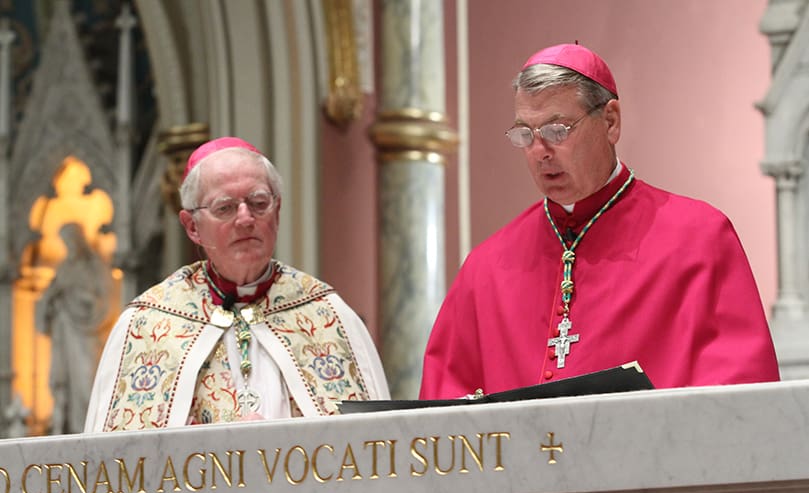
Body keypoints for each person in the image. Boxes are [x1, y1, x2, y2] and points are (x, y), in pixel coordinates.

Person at [420, 43, 781, 400]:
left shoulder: (699, 238)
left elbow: (742, 398)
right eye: (525, 134)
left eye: (557, 130)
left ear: (610, 121)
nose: (540, 152)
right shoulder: (485, 268)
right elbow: (443, 419)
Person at [85, 137, 389, 431]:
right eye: (225, 208)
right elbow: (121, 466)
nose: (245, 219)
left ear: (277, 212)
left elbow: (374, 448)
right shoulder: (147, 325)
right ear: (192, 227)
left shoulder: (328, 316)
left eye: (259, 203)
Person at [37, 223, 110, 434]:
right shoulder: (63, 268)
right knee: (63, 383)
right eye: (65, 241)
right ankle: (63, 426)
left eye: (71, 240)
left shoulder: (94, 267)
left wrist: (75, 294)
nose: (68, 245)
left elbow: (103, 301)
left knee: (86, 381)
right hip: (64, 332)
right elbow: (47, 302)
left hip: (87, 333)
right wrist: (53, 299)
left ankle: (89, 430)